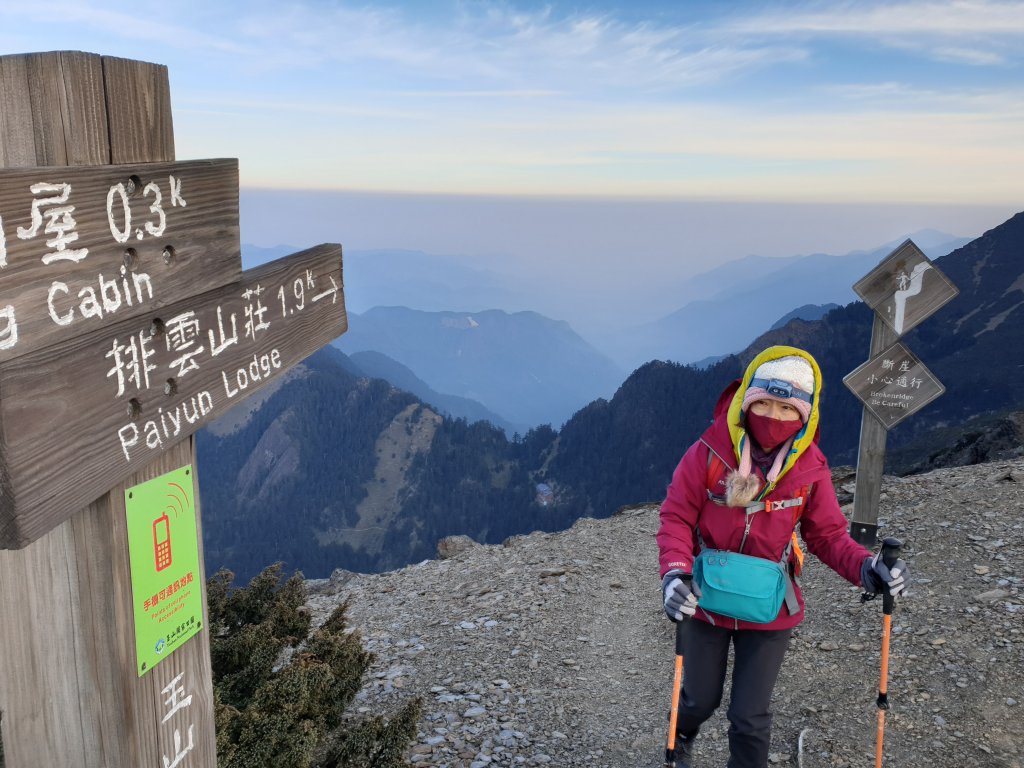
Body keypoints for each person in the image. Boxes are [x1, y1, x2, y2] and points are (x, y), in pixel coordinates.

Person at [656, 345, 908, 768]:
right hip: (703, 597)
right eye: (764, 403)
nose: (773, 417)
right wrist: (675, 573)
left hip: (770, 606)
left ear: (805, 415)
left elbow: (827, 535)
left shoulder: (810, 469)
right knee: (699, 699)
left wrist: (868, 569)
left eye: (786, 408)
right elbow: (676, 516)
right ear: (747, 401)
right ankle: (682, 733)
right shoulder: (709, 451)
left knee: (750, 717)